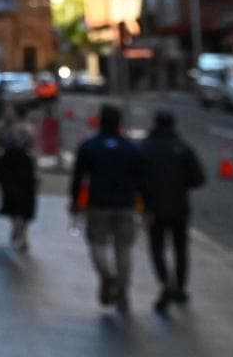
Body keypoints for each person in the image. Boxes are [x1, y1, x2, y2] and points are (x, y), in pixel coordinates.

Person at [69, 104, 145, 313]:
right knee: (123, 249)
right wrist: (144, 204)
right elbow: (141, 179)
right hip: (125, 205)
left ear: (100, 120)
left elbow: (78, 177)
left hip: (98, 204)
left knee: (97, 244)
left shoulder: (90, 146)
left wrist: (75, 201)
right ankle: (122, 289)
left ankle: (107, 275)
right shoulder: (131, 149)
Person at [139, 110, 206, 314]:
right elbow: (198, 179)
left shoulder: (146, 148)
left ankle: (165, 282)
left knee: (157, 247)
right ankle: (180, 286)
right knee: (180, 248)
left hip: (154, 206)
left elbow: (137, 176)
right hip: (179, 206)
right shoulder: (183, 148)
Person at [0, 104, 37, 252]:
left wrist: (36, 171)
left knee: (24, 200)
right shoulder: (1, 128)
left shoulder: (27, 129)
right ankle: (15, 225)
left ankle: (22, 230)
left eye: (10, 111)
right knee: (10, 197)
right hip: (7, 166)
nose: (7, 113)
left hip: (24, 166)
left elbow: (33, 150)